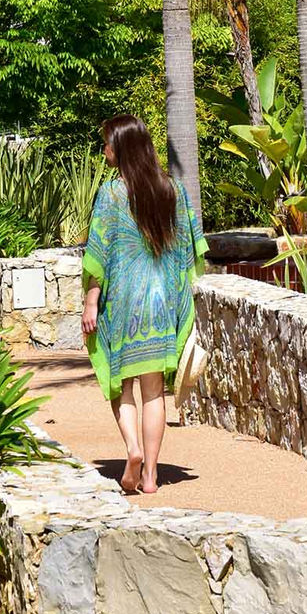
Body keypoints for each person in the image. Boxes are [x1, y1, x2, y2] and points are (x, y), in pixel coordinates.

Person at [81, 114, 207, 495]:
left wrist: (90, 301)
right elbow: (190, 250)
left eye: (107, 144)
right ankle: (151, 476)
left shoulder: (111, 193)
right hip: (160, 305)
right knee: (154, 392)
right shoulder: (172, 190)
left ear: (120, 148)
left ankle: (132, 450)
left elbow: (98, 253)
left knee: (122, 387)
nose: (104, 150)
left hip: (122, 305)